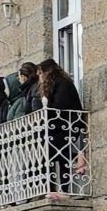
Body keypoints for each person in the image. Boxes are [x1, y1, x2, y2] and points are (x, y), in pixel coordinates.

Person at [36, 59, 85, 192]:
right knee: (60, 155)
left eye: (40, 73)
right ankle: (64, 190)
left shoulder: (62, 83)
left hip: (68, 124)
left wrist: (45, 106)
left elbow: (60, 106)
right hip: (60, 125)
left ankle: (78, 157)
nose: (40, 77)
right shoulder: (56, 84)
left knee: (51, 153)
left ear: (47, 72)